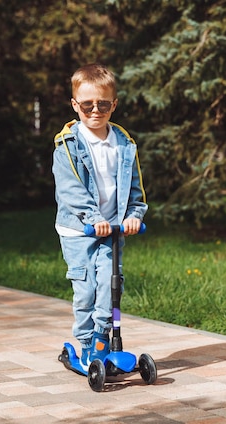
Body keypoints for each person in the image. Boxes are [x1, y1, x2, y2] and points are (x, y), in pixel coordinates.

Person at [52, 63, 147, 370]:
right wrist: (93, 217)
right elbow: (70, 189)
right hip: (79, 231)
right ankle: (83, 344)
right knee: (87, 290)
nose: (95, 111)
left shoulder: (123, 143)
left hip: (112, 229)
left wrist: (134, 213)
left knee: (110, 284)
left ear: (113, 105)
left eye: (103, 104)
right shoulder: (68, 144)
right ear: (75, 104)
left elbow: (135, 187)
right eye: (87, 105)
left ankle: (102, 339)